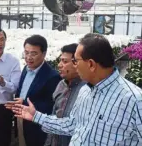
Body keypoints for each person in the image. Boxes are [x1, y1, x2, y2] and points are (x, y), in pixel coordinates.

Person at [13, 33, 142, 145]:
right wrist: (36, 116)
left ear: (91, 64)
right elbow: (72, 125)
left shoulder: (134, 99)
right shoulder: (85, 91)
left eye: (76, 61)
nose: (74, 66)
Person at [6, 35, 62, 146]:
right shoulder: (26, 69)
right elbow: (20, 91)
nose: (29, 57)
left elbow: (51, 106)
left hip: (37, 126)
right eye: (26, 53)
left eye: (34, 53)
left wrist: (24, 103)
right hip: (21, 119)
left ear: (44, 54)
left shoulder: (52, 76)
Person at [45, 43, 85, 146]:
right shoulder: (61, 85)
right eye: (60, 60)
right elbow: (54, 115)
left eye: (65, 61)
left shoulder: (86, 89)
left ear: (77, 63)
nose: (59, 65)